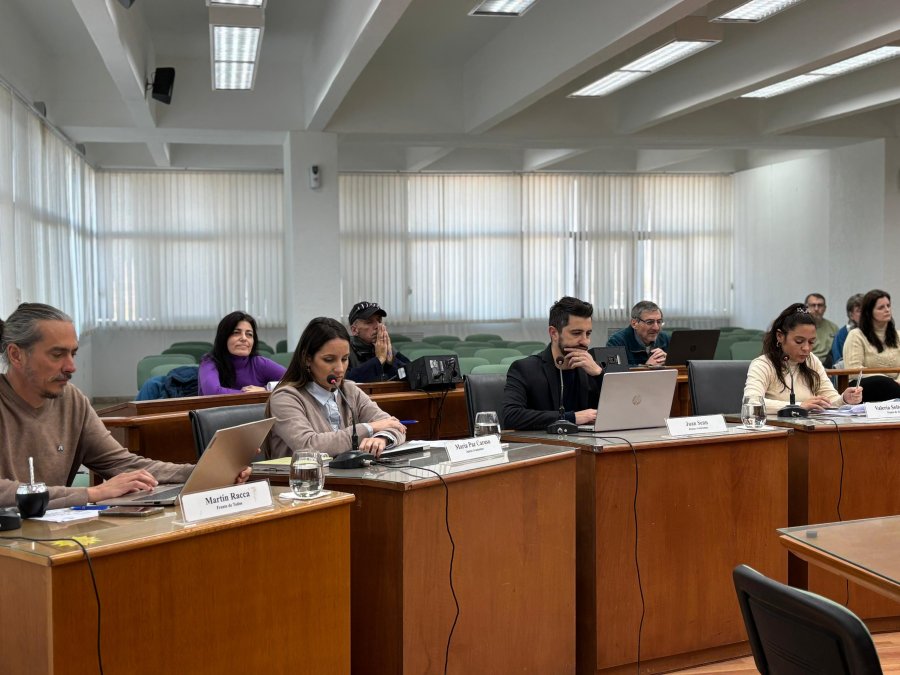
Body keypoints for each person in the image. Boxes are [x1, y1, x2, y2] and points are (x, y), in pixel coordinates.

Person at [0, 303, 251, 508]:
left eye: (73, 354)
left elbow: (124, 464)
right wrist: (90, 494)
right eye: (57, 355)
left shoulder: (72, 400)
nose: (71, 367)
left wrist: (206, 472)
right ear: (16, 355)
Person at [266, 317, 407, 458]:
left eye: (344, 359)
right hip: (299, 473)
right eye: (329, 359)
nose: (340, 369)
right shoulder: (285, 398)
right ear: (307, 358)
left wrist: (381, 439)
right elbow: (308, 445)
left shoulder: (350, 390)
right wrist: (370, 428)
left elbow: (394, 425)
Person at [503, 296, 605, 431]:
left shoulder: (593, 370)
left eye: (588, 334)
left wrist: (599, 375)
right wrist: (571, 418)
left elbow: (620, 410)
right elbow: (511, 416)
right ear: (554, 333)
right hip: (543, 442)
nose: (585, 341)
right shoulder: (524, 369)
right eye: (576, 333)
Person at [743, 303, 862, 415]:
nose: (806, 348)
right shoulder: (763, 364)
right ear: (780, 336)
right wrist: (798, 406)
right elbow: (752, 402)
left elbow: (829, 399)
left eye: (811, 342)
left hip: (808, 426)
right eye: (799, 341)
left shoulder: (811, 360)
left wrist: (844, 399)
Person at [198, 311, 286, 395]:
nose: (244, 338)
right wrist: (251, 394)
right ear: (224, 337)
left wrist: (266, 389)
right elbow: (212, 392)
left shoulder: (259, 363)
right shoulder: (209, 361)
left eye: (249, 334)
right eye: (236, 333)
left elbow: (293, 380)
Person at [842, 290, 900, 401]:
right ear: (869, 312)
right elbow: (853, 370)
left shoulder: (898, 336)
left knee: (887, 384)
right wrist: (888, 380)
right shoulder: (856, 335)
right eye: (881, 307)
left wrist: (898, 381)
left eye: (888, 306)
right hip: (864, 385)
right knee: (882, 382)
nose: (887, 310)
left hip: (895, 385)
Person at [345, 301, 409, 383]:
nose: (377, 326)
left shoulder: (386, 347)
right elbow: (344, 381)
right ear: (354, 330)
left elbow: (413, 373)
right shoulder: (345, 349)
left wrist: (391, 361)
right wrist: (379, 360)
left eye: (379, 320)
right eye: (369, 322)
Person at [606, 301, 670, 366]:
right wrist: (646, 367)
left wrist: (670, 360)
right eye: (649, 322)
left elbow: (675, 365)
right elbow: (613, 369)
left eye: (659, 322)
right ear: (634, 324)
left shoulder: (666, 339)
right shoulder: (616, 341)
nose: (656, 328)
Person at [804, 293, 839, 367]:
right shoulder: (800, 328)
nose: (816, 309)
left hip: (830, 367)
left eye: (820, 305)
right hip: (807, 365)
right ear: (806, 308)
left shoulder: (833, 327)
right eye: (813, 305)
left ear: (825, 308)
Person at [831, 293, 863, 367]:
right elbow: (839, 363)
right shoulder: (841, 335)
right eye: (859, 311)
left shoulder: (875, 332)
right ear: (851, 315)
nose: (864, 313)